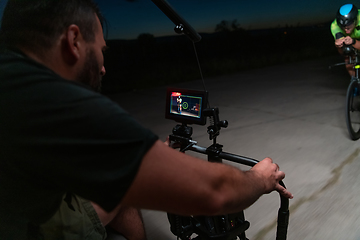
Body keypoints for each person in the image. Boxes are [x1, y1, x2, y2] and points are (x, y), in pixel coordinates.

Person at [0, 0, 293, 239]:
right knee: (119, 191)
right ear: (74, 40)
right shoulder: (48, 98)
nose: (103, 68)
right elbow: (212, 192)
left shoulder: (14, 80)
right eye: (101, 51)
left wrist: (149, 159)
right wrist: (258, 178)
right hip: (28, 229)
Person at [331, 3, 360, 78]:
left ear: (355, 20)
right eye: (343, 27)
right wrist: (338, 46)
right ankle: (355, 82)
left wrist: (353, 42)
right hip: (354, 40)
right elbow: (342, 53)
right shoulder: (335, 26)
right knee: (348, 60)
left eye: (348, 26)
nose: (346, 30)